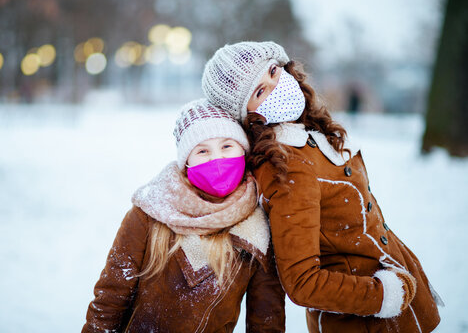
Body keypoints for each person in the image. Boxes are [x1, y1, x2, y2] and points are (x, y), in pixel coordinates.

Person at [201, 41, 442, 333]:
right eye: (260, 91)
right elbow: (302, 282)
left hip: (400, 309)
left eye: (273, 72)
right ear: (248, 114)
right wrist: (383, 295)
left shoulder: (312, 132)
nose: (276, 86)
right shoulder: (285, 166)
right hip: (364, 321)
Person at [81, 99, 285, 333]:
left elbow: (267, 323)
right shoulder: (151, 211)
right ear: (187, 161)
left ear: (243, 150)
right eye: (202, 150)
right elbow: (109, 300)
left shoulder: (258, 230)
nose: (216, 159)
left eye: (227, 146)